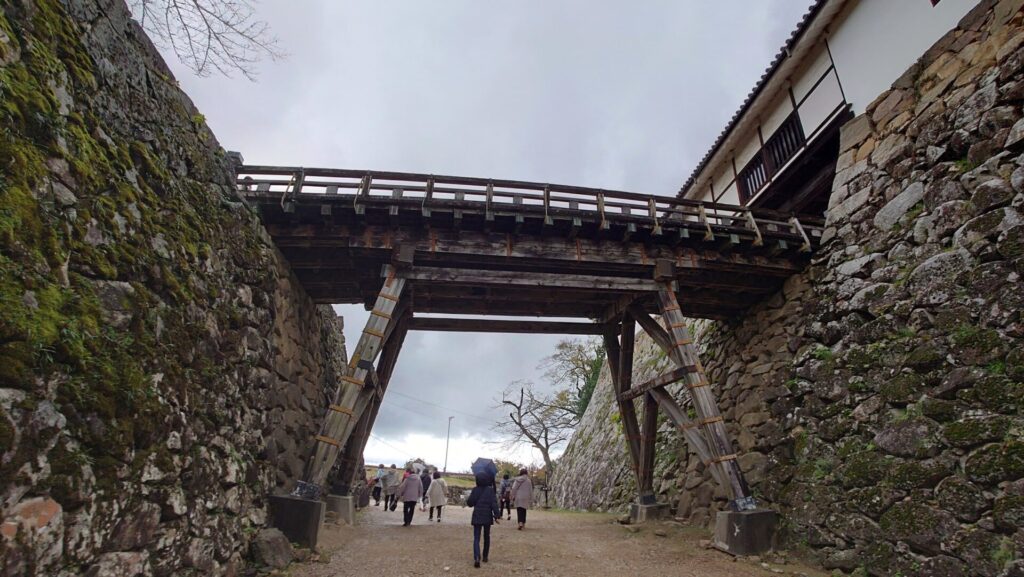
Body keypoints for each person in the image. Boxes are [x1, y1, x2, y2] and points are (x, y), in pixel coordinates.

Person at [466, 472, 501, 568]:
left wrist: (469, 499)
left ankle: (477, 557)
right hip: (487, 516)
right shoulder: (490, 491)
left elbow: (470, 503)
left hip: (477, 515)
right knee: (486, 536)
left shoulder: (475, 490)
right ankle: (485, 556)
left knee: (476, 537)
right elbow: (494, 504)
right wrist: (497, 515)